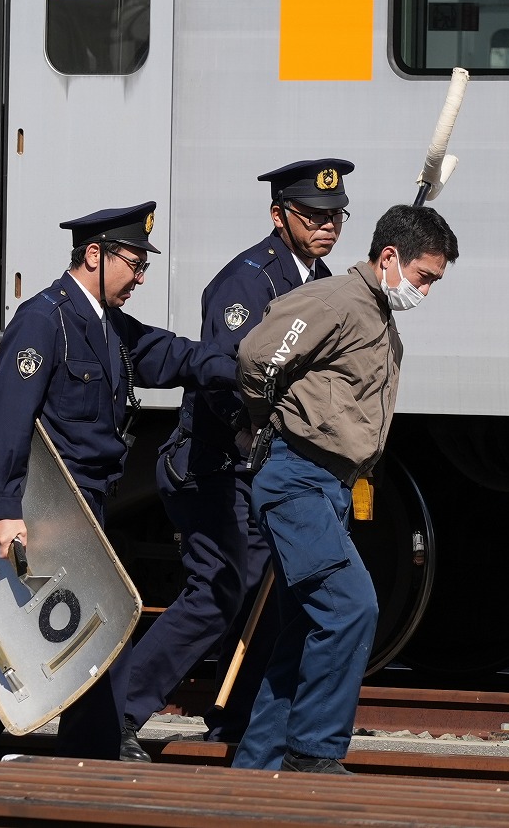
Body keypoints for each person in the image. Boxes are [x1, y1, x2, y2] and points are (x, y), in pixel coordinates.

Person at [0, 201, 238, 762]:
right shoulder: (43, 320)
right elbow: (7, 421)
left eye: (144, 265)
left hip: (87, 502)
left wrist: (241, 365)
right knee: (93, 631)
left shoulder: (107, 325)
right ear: (93, 255)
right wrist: (4, 508)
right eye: (134, 262)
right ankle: (81, 759)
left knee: (52, 635)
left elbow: (170, 357)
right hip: (52, 504)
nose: (140, 277)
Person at [120, 159, 355, 754]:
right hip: (216, 466)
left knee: (270, 593)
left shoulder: (322, 280)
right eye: (314, 215)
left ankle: (238, 718)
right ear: (279, 216)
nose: (328, 225)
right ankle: (116, 715)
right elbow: (229, 377)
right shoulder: (246, 282)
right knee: (218, 592)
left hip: (270, 468)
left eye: (336, 215)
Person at [231, 203, 459, 774]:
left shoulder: (375, 310)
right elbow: (260, 357)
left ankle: (256, 771)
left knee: (307, 626)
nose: (427, 291)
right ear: (389, 258)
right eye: (425, 276)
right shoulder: (338, 301)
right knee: (351, 608)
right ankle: (315, 753)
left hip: (326, 485)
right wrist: (271, 421)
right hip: (297, 478)